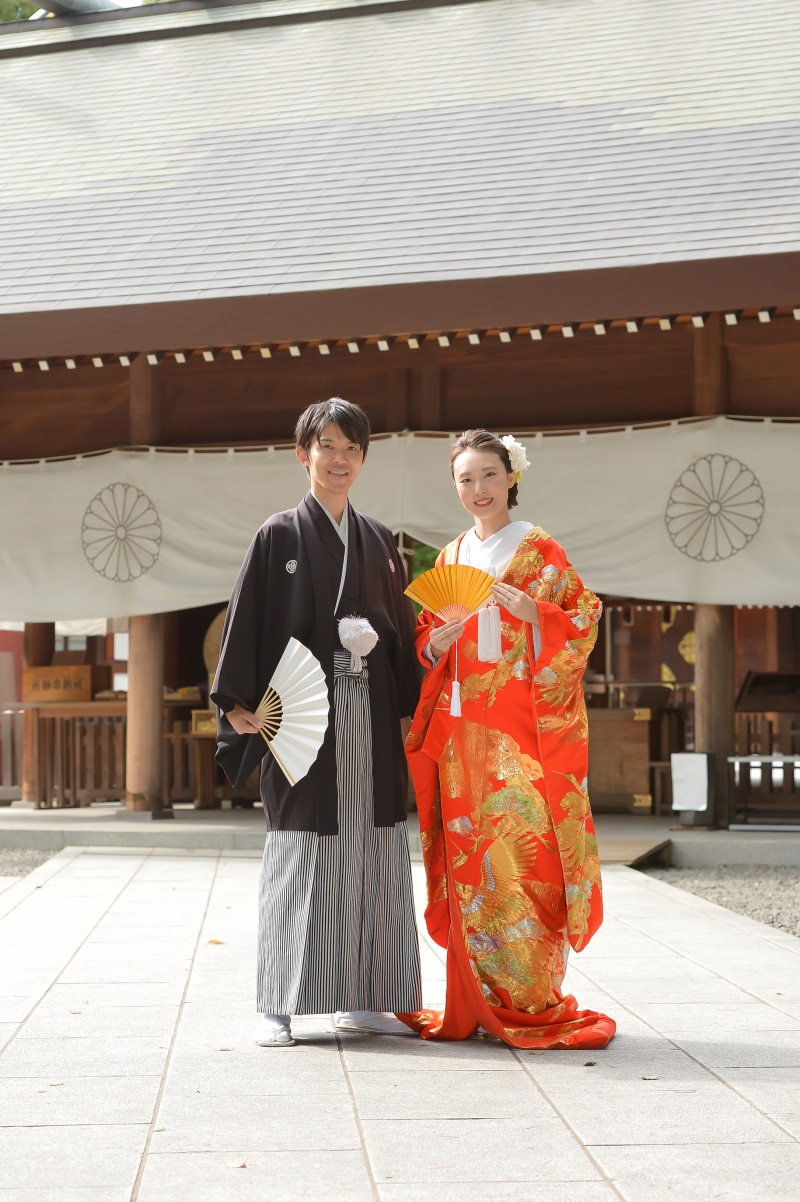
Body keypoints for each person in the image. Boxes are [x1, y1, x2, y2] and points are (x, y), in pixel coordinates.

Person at [211, 398, 422, 1047]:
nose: (339, 460)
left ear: (363, 459)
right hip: (303, 716)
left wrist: (381, 645)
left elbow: (401, 627)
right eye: (326, 446)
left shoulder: (382, 540)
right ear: (303, 453)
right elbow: (248, 616)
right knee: (301, 850)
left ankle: (366, 998)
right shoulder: (279, 535)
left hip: (371, 713)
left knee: (374, 848)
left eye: (351, 449)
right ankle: (278, 1002)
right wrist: (237, 702)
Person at [402, 428, 615, 1049]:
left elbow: (583, 618)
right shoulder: (448, 558)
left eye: (489, 475)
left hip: (524, 732)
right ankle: (474, 998)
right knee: (472, 860)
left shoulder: (540, 549)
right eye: (465, 479)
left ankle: (530, 995)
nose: (477, 489)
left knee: (532, 857)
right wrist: (434, 642)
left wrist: (532, 613)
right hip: (466, 733)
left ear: (512, 478)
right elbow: (424, 638)